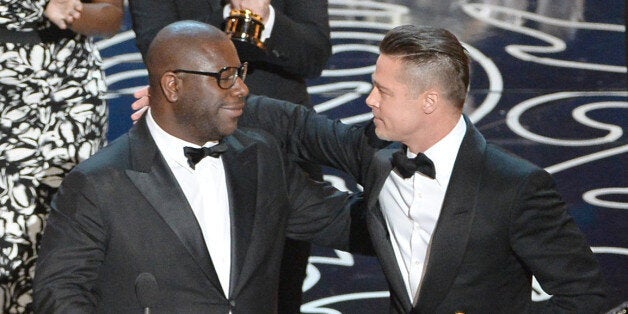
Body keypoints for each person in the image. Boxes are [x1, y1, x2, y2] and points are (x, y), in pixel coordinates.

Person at [236, 25, 607, 312]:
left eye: (383, 91)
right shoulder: (376, 148)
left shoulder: (515, 187)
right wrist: (223, 96)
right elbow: (299, 127)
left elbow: (583, 295)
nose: (370, 99)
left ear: (429, 101)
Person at [32, 20, 364, 313]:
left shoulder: (260, 157)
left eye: (240, 73)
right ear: (172, 86)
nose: (242, 88)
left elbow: (345, 222)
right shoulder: (97, 183)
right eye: (225, 77)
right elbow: (58, 295)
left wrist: (412, 197)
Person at [128, 1, 332, 311]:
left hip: (280, 152)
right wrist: (231, 19)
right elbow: (160, 50)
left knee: (281, 291)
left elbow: (314, 55)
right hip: (189, 149)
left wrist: (264, 17)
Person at [0, 0, 123, 312]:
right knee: (9, 237)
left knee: (68, 228)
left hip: (70, 95)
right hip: (6, 90)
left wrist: (71, 12)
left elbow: (111, 16)